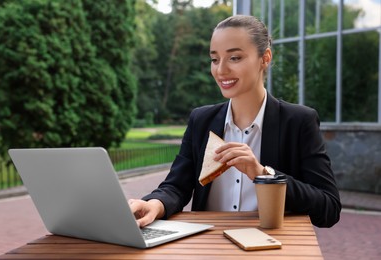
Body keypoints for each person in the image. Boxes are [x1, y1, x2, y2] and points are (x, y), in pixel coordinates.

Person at [128, 15, 341, 228]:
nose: (220, 70)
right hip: (209, 247)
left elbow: (329, 209)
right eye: (214, 59)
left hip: (270, 248)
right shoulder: (201, 120)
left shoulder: (298, 121)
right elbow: (176, 187)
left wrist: (262, 174)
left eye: (235, 58)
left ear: (265, 58)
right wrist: (155, 204)